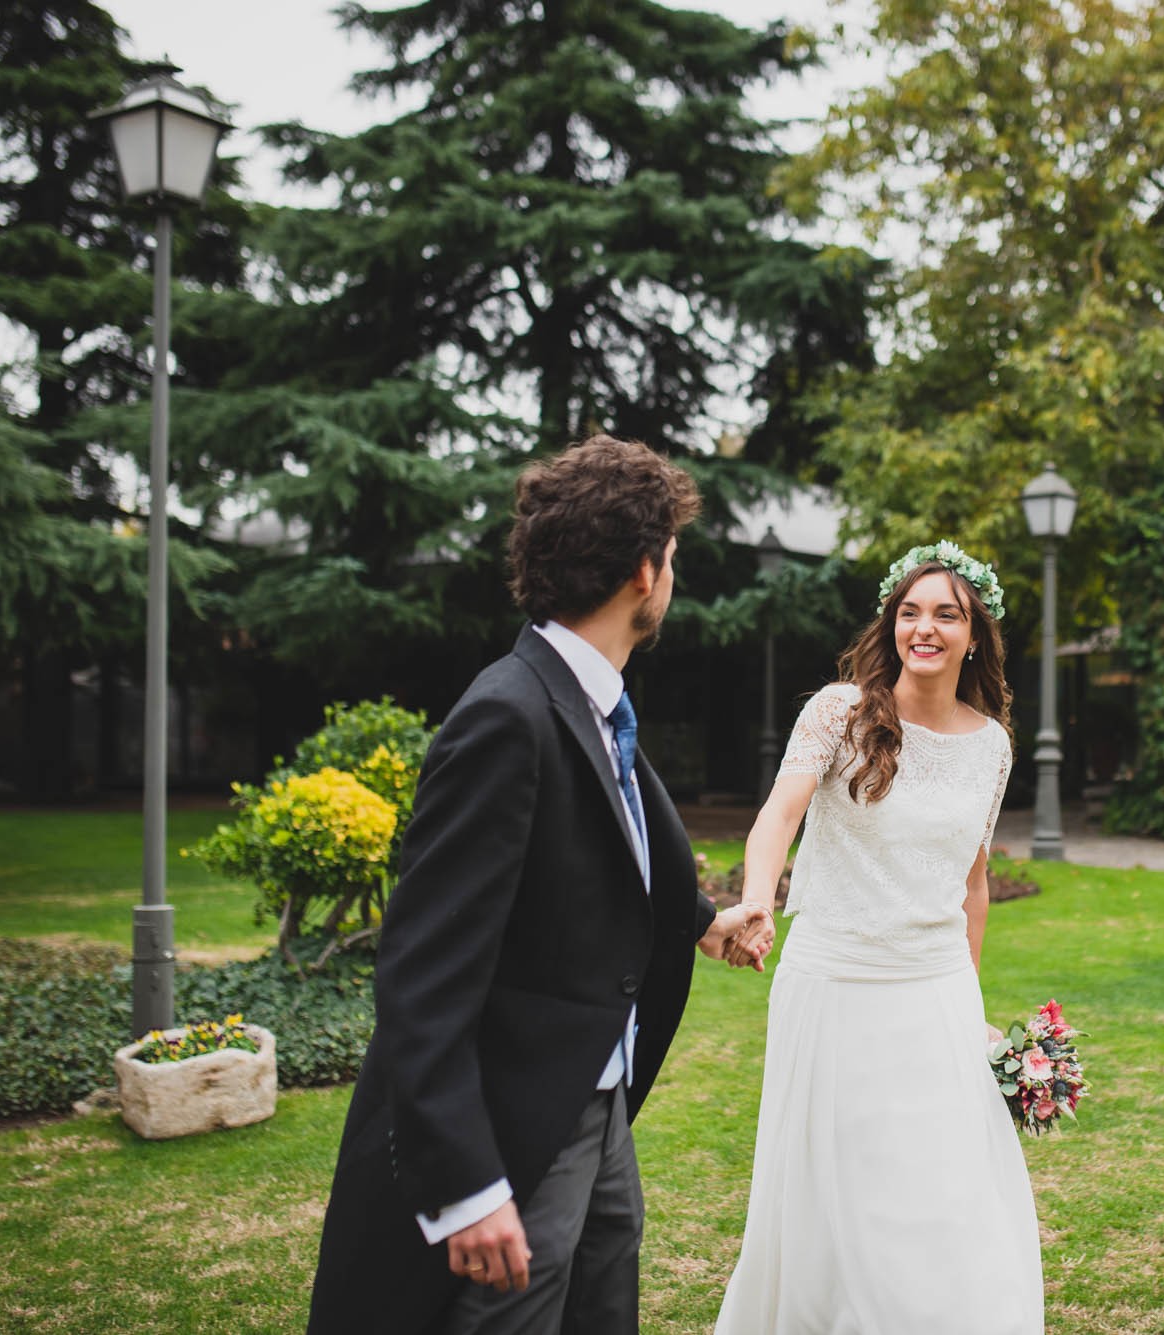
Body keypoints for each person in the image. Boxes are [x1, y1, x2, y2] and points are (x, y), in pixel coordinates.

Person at [307, 436, 772, 1335]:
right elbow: (422, 975)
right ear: (644, 572)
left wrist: (699, 919)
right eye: (673, 555)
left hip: (597, 1092)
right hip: (517, 1115)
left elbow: (611, 826)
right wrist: (468, 1185)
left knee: (602, 1298)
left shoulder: (587, 697)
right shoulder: (505, 715)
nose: (673, 575)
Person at [713, 541, 1043, 1334]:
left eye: (945, 615)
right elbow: (778, 816)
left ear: (974, 635)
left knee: (941, 1186)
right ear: (891, 624)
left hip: (936, 990)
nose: (924, 628)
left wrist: (970, 1011)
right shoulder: (839, 711)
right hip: (834, 982)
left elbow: (972, 883)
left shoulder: (992, 745)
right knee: (848, 1191)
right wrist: (757, 899)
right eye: (910, 612)